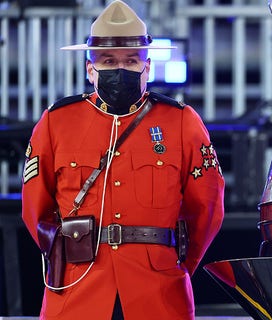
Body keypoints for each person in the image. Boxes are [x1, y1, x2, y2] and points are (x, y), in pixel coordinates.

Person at [21, 1, 225, 319]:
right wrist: (67, 253)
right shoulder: (57, 122)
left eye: (132, 61)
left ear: (148, 67)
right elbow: (35, 211)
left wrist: (172, 262)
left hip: (158, 294)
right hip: (78, 292)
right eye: (108, 60)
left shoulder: (181, 122)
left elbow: (207, 209)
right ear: (90, 69)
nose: (120, 70)